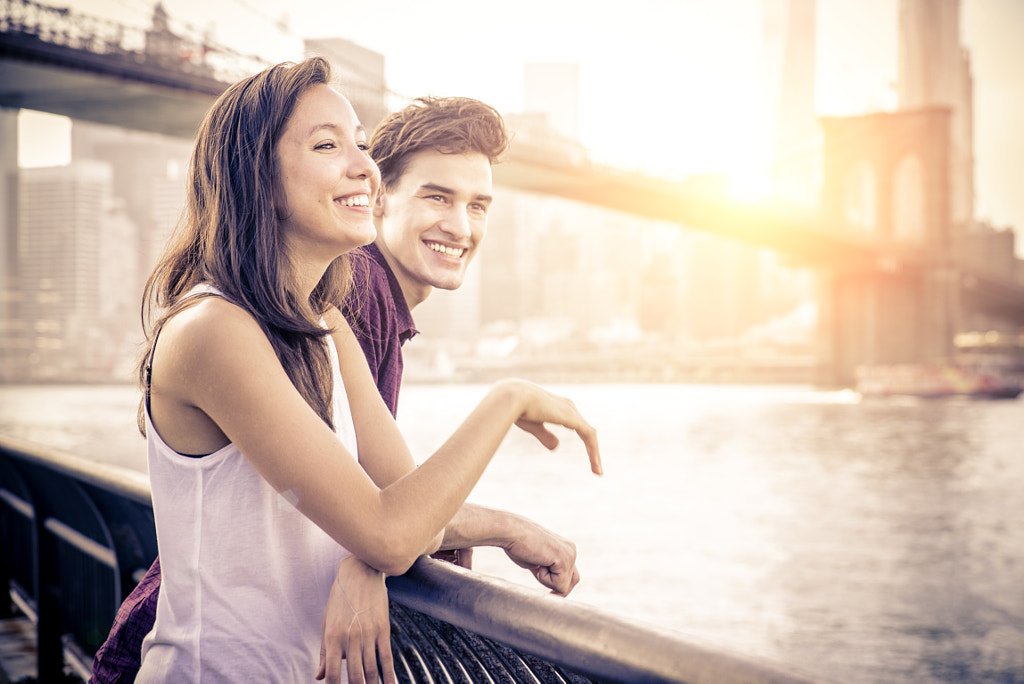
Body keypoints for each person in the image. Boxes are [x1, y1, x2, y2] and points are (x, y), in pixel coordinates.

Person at [110, 57, 598, 684]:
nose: (362, 165)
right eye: (326, 145)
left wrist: (500, 529)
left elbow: (405, 505)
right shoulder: (213, 331)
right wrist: (507, 400)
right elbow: (389, 534)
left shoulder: (327, 322)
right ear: (254, 174)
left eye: (361, 146)